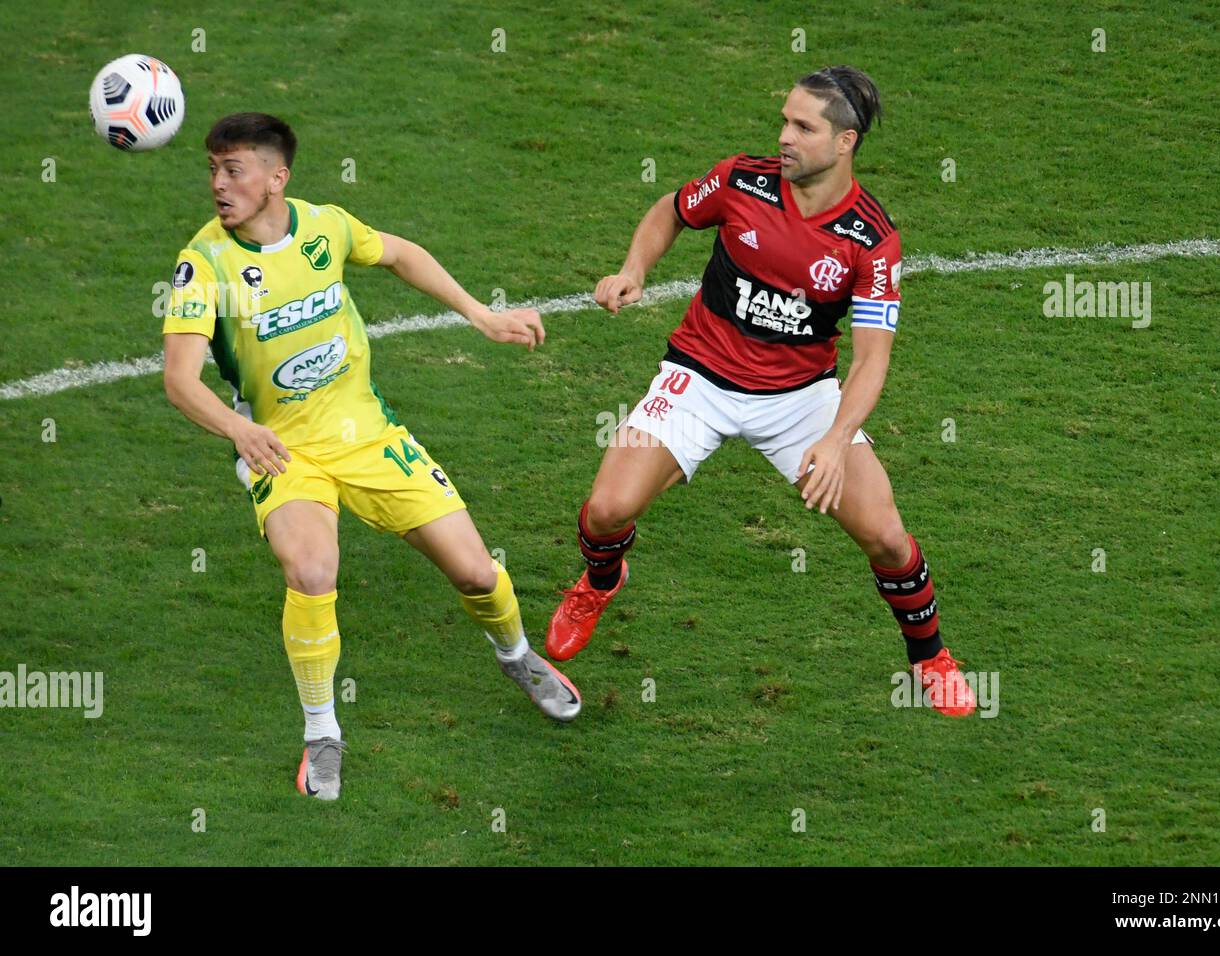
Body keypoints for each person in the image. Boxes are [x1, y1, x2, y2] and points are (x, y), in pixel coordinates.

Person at [162, 112, 581, 801]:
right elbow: (180, 380)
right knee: (311, 568)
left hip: (370, 437)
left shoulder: (325, 226)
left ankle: (517, 657)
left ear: (277, 177)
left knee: (478, 572)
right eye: (211, 169)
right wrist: (241, 435)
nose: (217, 183)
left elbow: (399, 253)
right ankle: (322, 731)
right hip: (284, 452)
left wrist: (479, 313)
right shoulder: (203, 265)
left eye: (232, 169)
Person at [546, 68, 976, 717]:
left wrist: (834, 441)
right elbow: (672, 209)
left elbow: (870, 361)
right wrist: (634, 268)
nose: (784, 137)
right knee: (606, 509)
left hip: (801, 398)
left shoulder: (869, 239)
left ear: (845, 142)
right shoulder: (742, 181)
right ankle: (602, 580)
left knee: (888, 537)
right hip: (700, 376)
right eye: (784, 120)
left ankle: (929, 658)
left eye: (803, 127)